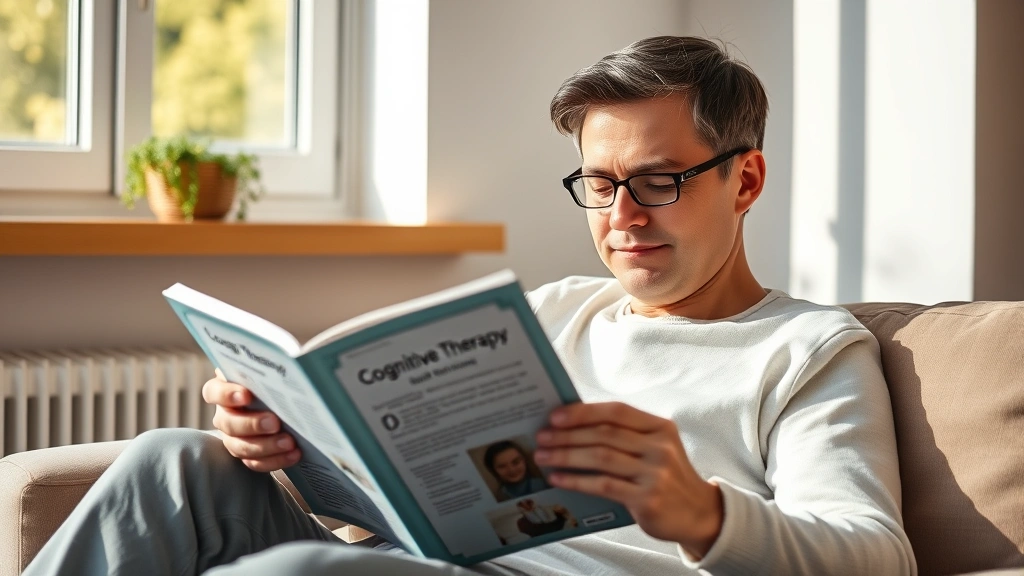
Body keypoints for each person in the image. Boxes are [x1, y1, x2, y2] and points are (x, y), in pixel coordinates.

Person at [24, 36, 916, 575]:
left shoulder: (807, 349)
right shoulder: (560, 309)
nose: (623, 217)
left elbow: (876, 556)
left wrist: (703, 512)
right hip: (422, 556)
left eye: (658, 181)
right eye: (599, 185)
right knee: (172, 461)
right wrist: (287, 438)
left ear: (745, 178)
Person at [481, 440, 550, 501]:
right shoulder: (499, 497)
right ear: (494, 471)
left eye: (516, 462)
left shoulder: (544, 484)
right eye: (502, 466)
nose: (511, 470)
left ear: (524, 461)